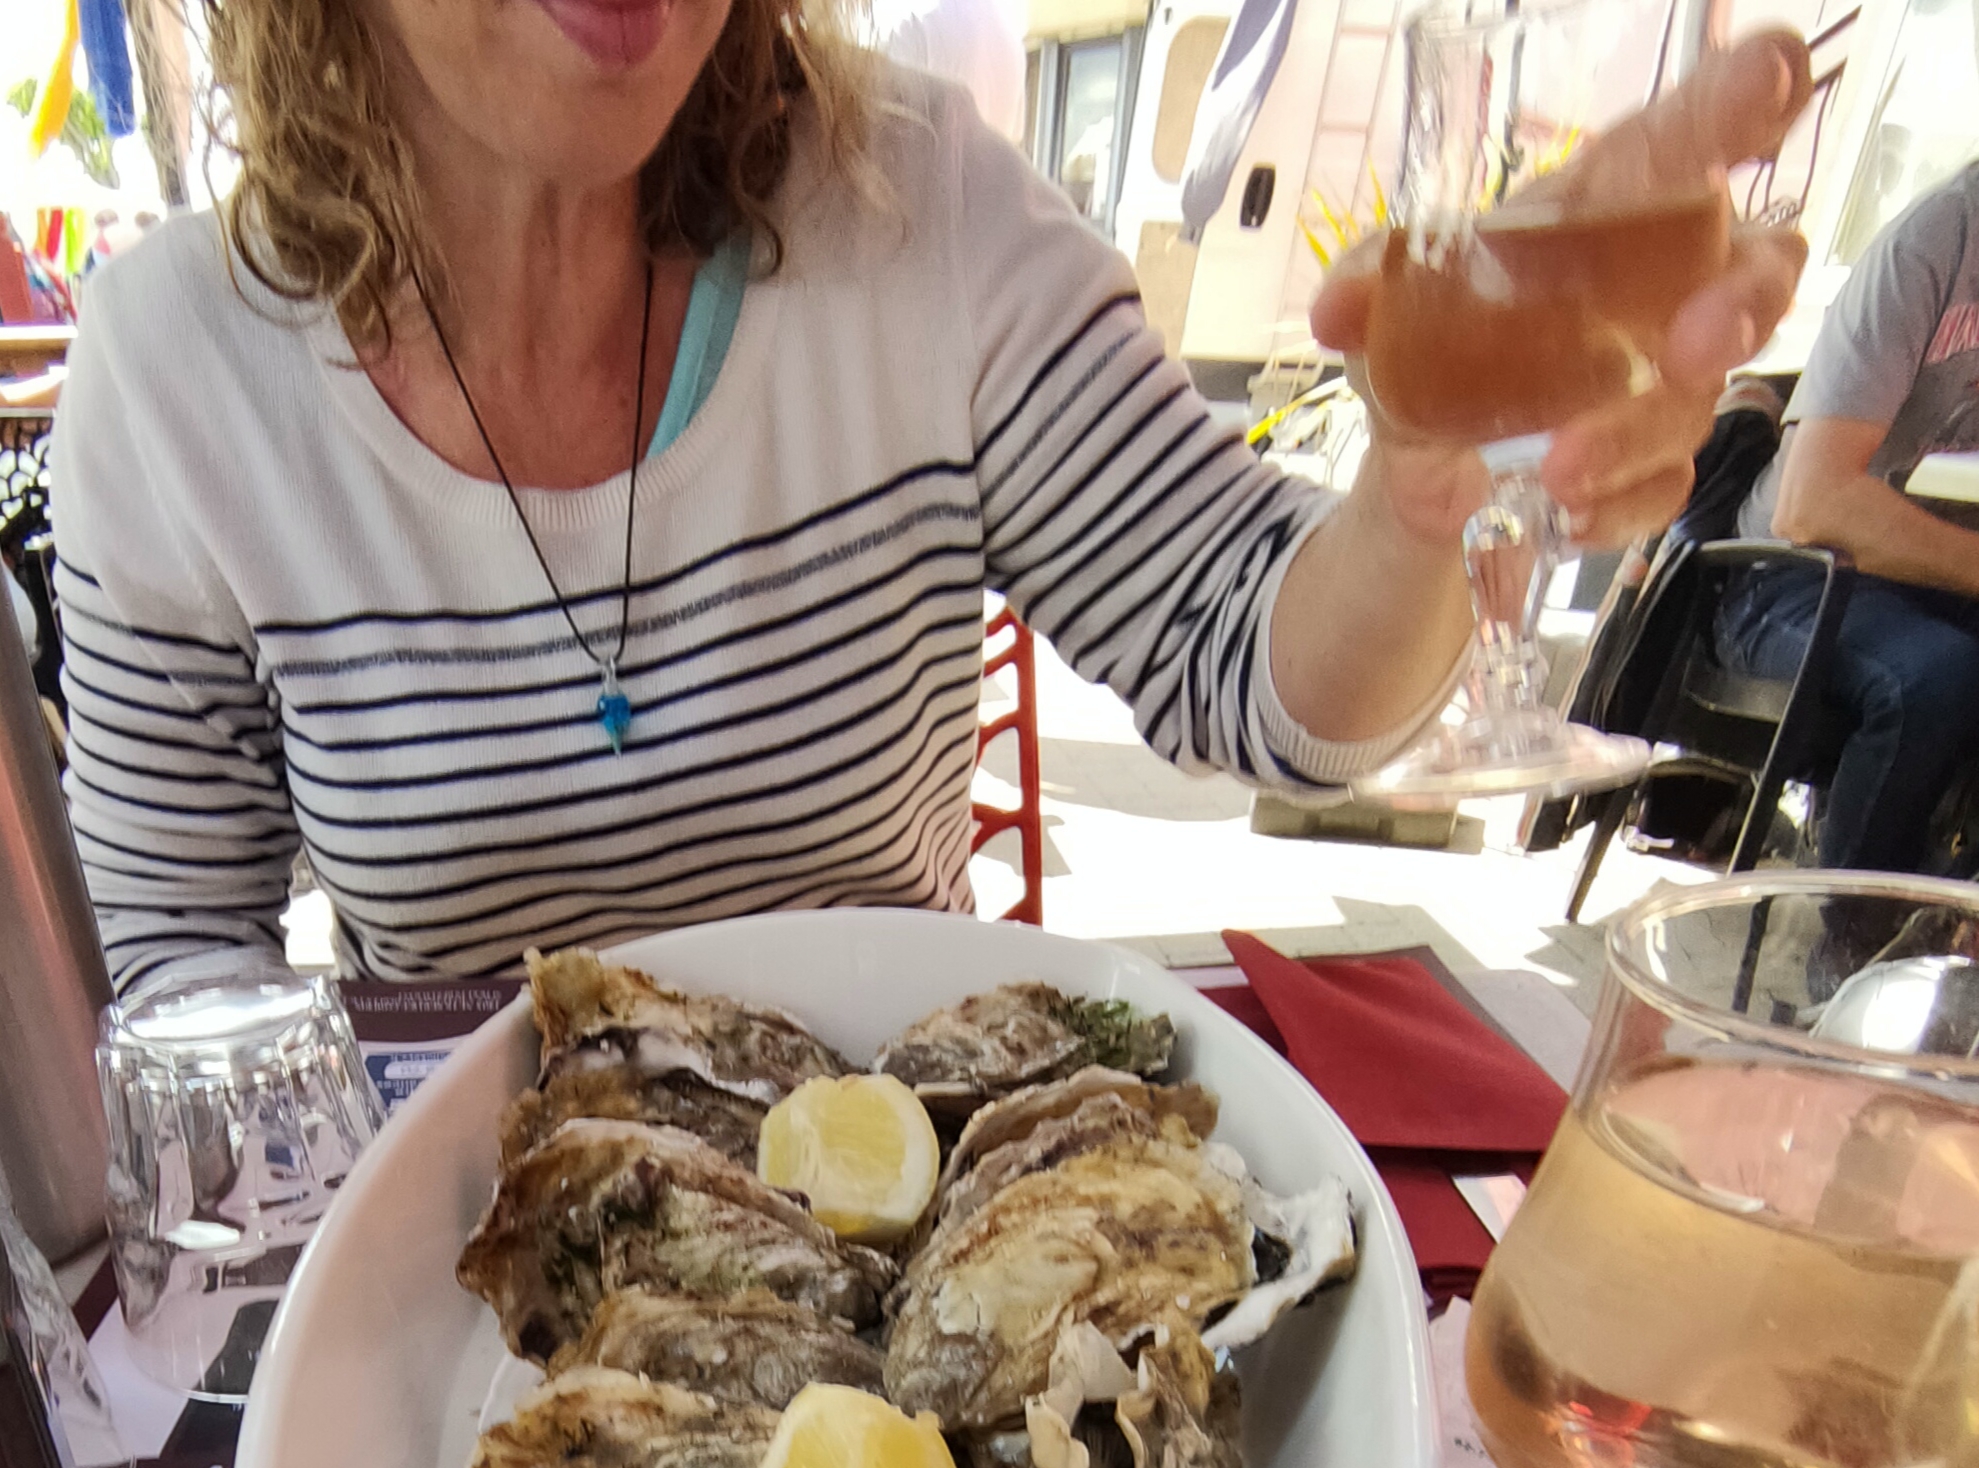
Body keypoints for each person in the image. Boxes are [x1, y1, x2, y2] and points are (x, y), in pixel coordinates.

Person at [47, 0, 1809, 994]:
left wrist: (1417, 495)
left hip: (917, 1211)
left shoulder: (917, 207)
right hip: (477, 1269)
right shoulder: (175, 374)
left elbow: (1250, 670)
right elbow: (177, 969)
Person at [1721, 161, 1979, 871]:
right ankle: (1852, 921)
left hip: (1899, 578)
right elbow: (1814, 503)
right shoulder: (1932, 245)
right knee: (1940, 676)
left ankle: (1946, 907)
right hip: (1783, 574)